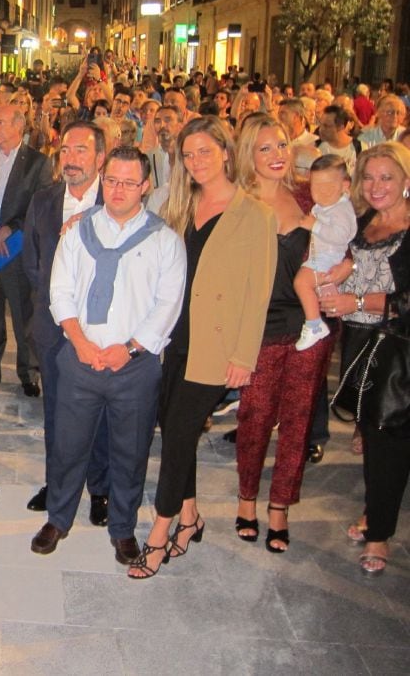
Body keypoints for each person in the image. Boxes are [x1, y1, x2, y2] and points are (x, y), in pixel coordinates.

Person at [129, 116, 276, 579]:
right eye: (188, 155)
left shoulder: (255, 214)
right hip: (174, 338)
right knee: (173, 427)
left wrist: (243, 356)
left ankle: (161, 531)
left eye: (205, 153)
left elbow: (259, 294)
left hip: (216, 345)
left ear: (227, 153)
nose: (196, 162)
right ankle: (190, 517)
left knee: (175, 436)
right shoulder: (180, 202)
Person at [31, 146, 185, 566]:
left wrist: (130, 349)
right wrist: (80, 342)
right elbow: (59, 291)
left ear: (145, 186)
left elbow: (168, 305)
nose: (118, 190)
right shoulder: (77, 232)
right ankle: (58, 519)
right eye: (112, 180)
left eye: (129, 182)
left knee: (130, 451)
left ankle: (122, 528)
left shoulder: (165, 242)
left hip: (133, 367)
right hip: (79, 358)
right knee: (67, 447)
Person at [231, 116, 336, 553]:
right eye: (265, 148)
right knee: (253, 419)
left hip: (308, 329)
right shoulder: (236, 203)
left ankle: (280, 507)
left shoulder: (311, 198)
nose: (277, 156)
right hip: (258, 330)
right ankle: (247, 499)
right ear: (248, 156)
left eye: (282, 146)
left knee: (297, 423)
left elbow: (342, 244)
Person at [318, 142, 410, 576]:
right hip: (362, 342)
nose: (376, 186)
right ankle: (377, 514)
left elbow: (406, 302)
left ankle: (379, 535)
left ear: (406, 181)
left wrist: (353, 299)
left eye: (387, 177)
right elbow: (352, 263)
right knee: (375, 438)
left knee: (389, 440)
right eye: (369, 177)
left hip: (399, 349)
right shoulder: (366, 221)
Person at [21, 121, 110, 520]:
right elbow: (31, 264)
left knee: (100, 410)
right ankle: (57, 482)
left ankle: (101, 489)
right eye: (66, 151)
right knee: (56, 410)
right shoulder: (43, 200)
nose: (71, 159)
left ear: (101, 158)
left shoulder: (116, 200)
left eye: (81, 151)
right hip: (53, 327)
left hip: (103, 328)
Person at [0, 104, 54, 397]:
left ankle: (28, 374)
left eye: (1, 122)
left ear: (19, 126)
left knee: (22, 315)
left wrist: (9, 229)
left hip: (18, 249)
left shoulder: (37, 163)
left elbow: (39, 206)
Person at [293, 156, 356, 350]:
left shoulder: (341, 209)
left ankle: (314, 324)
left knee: (302, 283)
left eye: (328, 185)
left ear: (345, 185)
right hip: (322, 257)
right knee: (319, 292)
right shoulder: (325, 207)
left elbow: (341, 236)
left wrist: (315, 225)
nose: (321, 191)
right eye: (315, 186)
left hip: (328, 259)